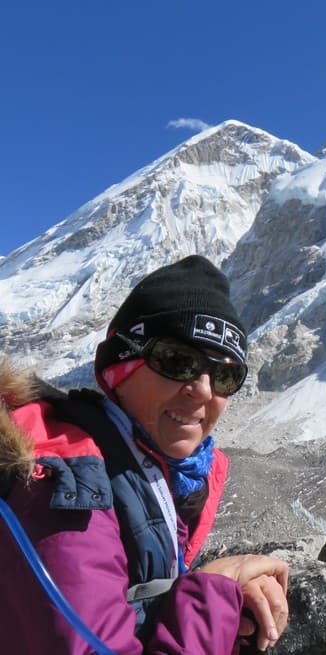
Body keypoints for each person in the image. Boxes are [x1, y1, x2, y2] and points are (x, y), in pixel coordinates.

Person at [0, 255, 289, 654]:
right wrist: (214, 590)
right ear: (121, 366)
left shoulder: (148, 474)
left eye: (224, 375)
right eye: (178, 361)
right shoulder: (64, 487)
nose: (203, 390)